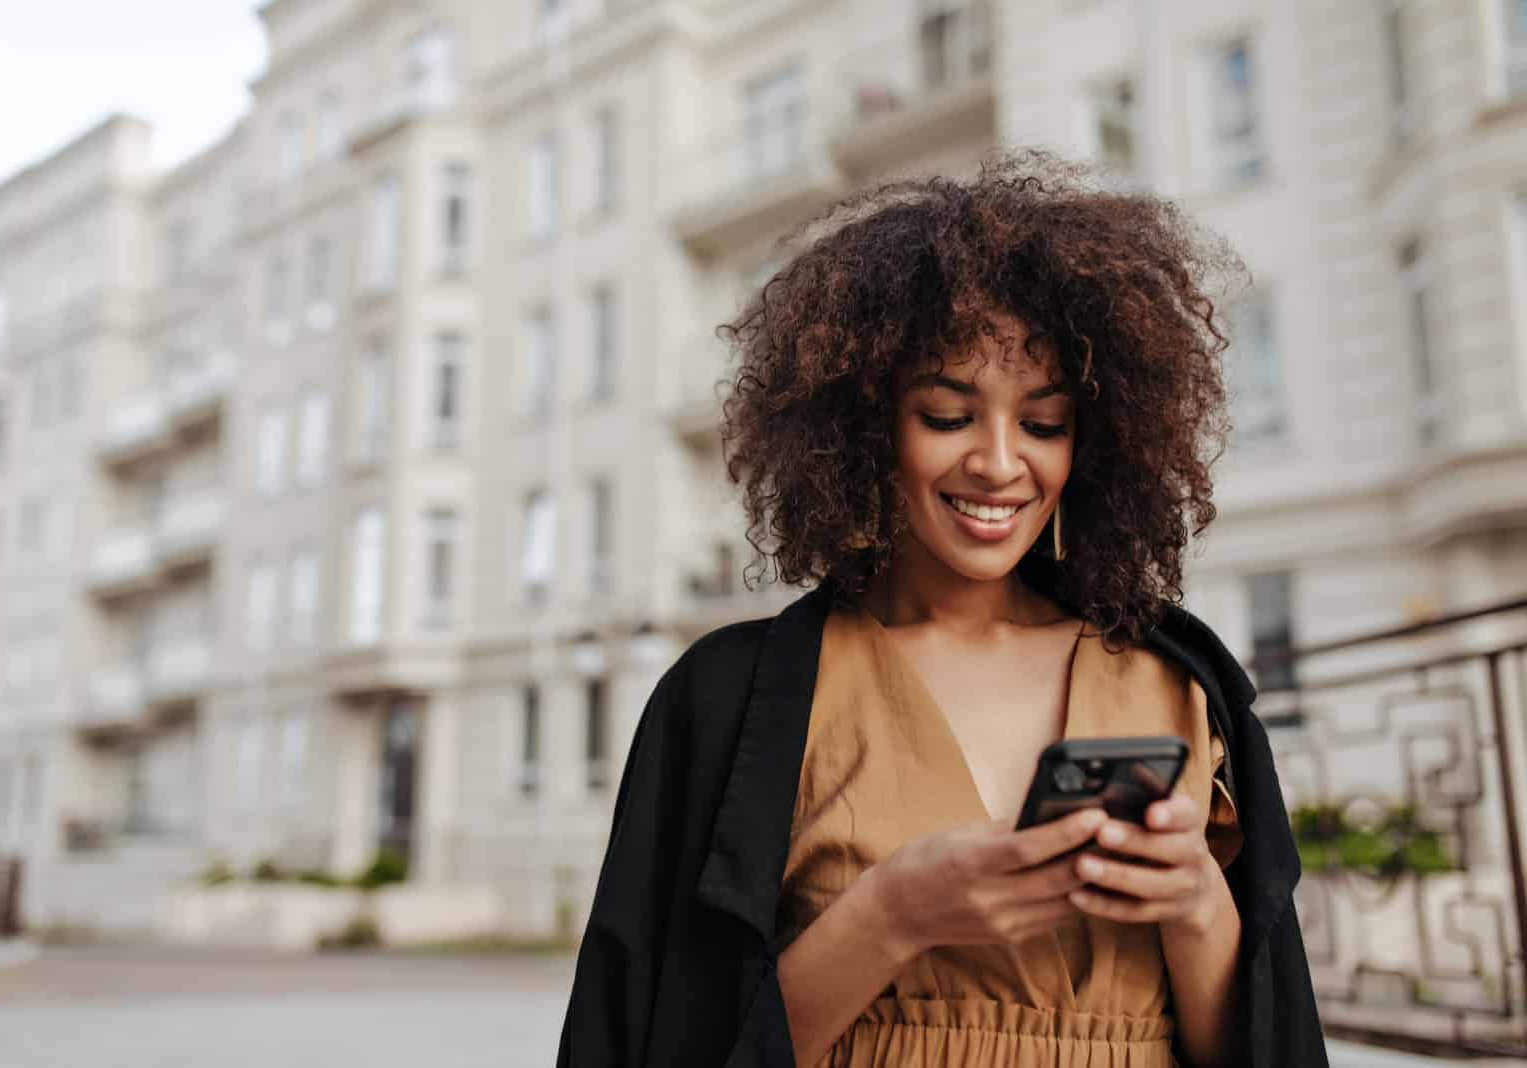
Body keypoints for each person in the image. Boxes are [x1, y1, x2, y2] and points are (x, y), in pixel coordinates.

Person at [556, 152, 1327, 1068]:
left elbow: (1254, 1046)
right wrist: (891, 916)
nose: (1001, 463)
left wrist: (1199, 900)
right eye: (948, 415)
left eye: (1043, 424)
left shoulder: (1175, 685)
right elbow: (665, 1039)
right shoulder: (725, 699)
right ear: (865, 423)